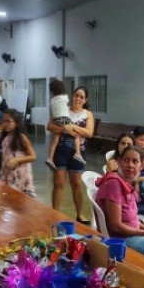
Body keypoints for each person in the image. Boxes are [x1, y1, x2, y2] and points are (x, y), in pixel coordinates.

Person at [47, 86, 94, 224]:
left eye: (81, 97)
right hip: (61, 151)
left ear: (85, 100)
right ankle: (55, 212)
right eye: (76, 95)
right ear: (72, 96)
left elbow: (89, 133)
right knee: (58, 183)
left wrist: (73, 127)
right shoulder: (63, 111)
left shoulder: (88, 114)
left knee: (77, 184)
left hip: (78, 153)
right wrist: (65, 129)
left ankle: (80, 214)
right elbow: (49, 126)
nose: (78, 99)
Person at [45, 79, 85, 170]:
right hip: (64, 119)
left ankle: (50, 158)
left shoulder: (52, 100)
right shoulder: (64, 97)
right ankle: (78, 153)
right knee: (76, 135)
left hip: (56, 119)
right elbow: (66, 103)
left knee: (55, 140)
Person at [0, 109, 37, 197]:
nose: (5, 124)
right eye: (3, 121)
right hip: (8, 174)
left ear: (17, 123)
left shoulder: (21, 137)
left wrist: (17, 160)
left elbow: (33, 156)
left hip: (20, 176)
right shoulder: (5, 136)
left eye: (8, 121)